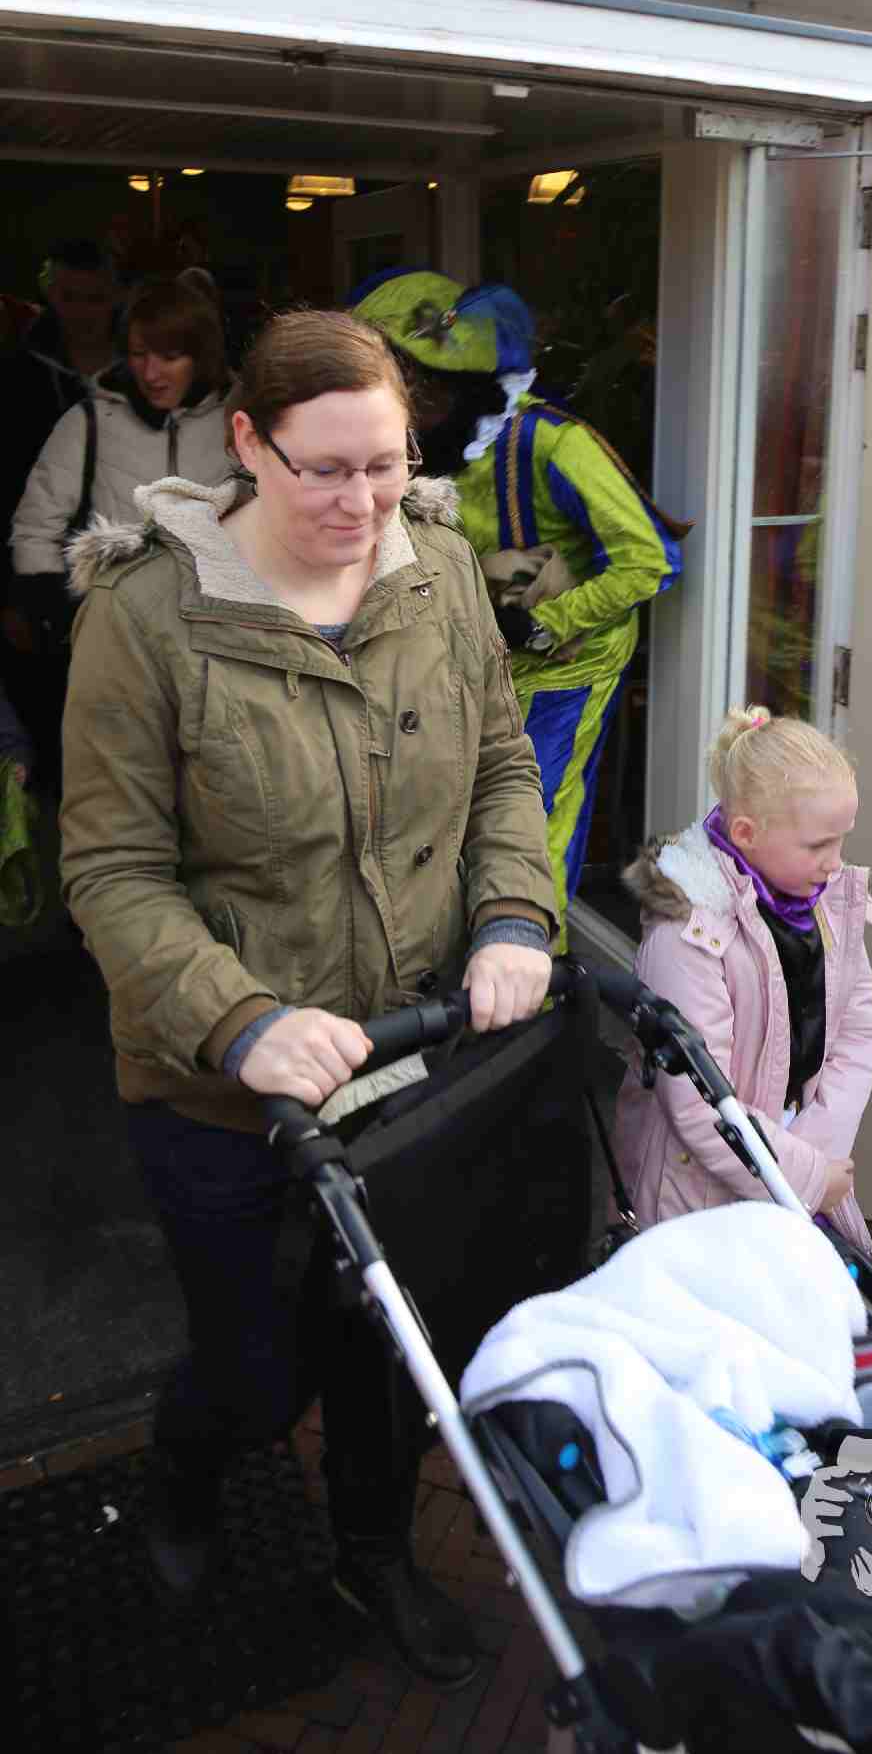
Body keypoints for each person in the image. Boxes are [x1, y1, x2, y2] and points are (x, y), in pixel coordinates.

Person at [58, 309, 557, 1684]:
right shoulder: (144, 618)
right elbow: (111, 871)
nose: (361, 503)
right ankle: (187, 1469)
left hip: (410, 1063)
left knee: (391, 1343)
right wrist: (245, 1021)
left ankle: (372, 1556)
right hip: (224, 1095)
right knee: (255, 1367)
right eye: (323, 469)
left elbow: (502, 765)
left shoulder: (438, 573)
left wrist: (513, 916)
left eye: (386, 465)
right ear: (245, 443)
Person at [345, 269, 687, 941]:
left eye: (407, 380)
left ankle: (540, 965)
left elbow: (650, 559)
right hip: (475, 654)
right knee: (461, 811)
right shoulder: (419, 449)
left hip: (563, 666)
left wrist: (545, 622)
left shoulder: (552, 442)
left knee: (534, 814)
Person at [613, 705, 872, 1251]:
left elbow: (859, 1032)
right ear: (746, 833)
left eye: (841, 841)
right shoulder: (687, 935)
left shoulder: (825, 900)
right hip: (700, 1200)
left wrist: (813, 1153)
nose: (835, 863)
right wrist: (808, 1177)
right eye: (818, 845)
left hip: (789, 1168)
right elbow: (698, 1104)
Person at [10, 277, 233, 640]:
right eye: (138, 354)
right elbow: (35, 528)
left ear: (201, 357)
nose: (150, 373)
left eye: (169, 357)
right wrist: (57, 610)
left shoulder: (239, 425)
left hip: (219, 636)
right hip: (116, 635)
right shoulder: (89, 421)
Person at [0, 237, 120, 777]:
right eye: (71, 297)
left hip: (127, 567)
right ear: (51, 296)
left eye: (95, 298)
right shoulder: (17, 377)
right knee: (53, 732)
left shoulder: (145, 371)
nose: (83, 312)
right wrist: (12, 597)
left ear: (114, 298)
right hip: (45, 580)